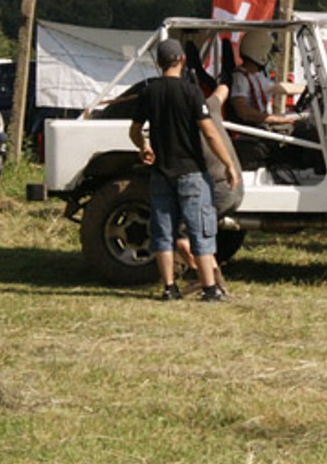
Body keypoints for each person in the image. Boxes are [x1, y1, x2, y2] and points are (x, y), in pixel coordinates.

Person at [129, 38, 241, 302]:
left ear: (158, 64)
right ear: (181, 60)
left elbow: (134, 130)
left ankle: (169, 288)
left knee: (164, 233)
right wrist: (228, 164)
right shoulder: (192, 93)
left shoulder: (149, 92)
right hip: (191, 173)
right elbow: (210, 133)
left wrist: (143, 146)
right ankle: (210, 289)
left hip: (161, 173)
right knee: (200, 230)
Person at [229, 28, 300, 129]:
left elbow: (277, 87)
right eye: (268, 54)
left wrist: (306, 88)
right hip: (253, 129)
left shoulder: (257, 75)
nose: (269, 58)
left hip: (262, 125)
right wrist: (277, 119)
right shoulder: (240, 77)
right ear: (259, 52)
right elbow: (243, 111)